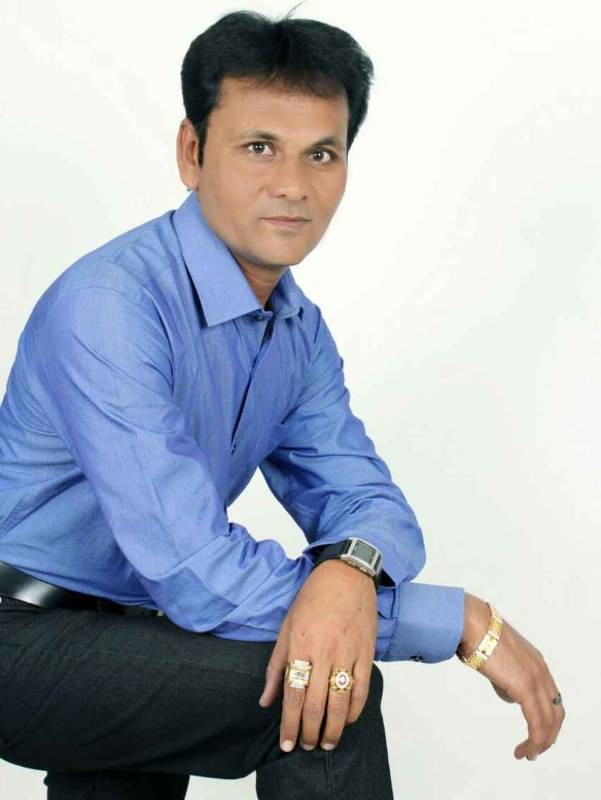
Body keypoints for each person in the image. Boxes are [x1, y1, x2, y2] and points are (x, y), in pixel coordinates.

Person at [0, 7, 564, 798]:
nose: (293, 185)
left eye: (321, 154)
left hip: (141, 633)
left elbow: (368, 501)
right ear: (192, 152)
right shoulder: (111, 305)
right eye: (259, 147)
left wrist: (351, 572)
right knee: (328, 696)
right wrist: (453, 619)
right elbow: (193, 570)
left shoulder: (296, 330)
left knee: (312, 666)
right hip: (23, 632)